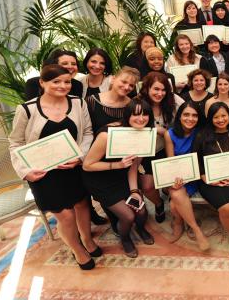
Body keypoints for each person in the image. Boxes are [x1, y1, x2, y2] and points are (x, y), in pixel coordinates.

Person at [10, 65, 99, 269]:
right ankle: (77, 248)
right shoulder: (27, 109)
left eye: (67, 81)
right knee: (66, 216)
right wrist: (25, 172)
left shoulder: (78, 103)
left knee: (83, 204)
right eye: (56, 82)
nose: (63, 86)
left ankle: (87, 239)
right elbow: (15, 143)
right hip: (43, 173)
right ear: (42, 83)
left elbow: (87, 133)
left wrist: (80, 157)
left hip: (73, 167)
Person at [82, 99, 155, 259]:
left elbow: (134, 167)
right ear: (127, 115)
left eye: (145, 115)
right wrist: (118, 165)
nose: (141, 118)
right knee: (128, 216)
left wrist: (135, 191)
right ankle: (125, 238)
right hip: (99, 180)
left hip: (122, 177)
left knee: (141, 212)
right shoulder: (106, 135)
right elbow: (87, 165)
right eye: (136, 114)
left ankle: (141, 229)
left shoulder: (144, 135)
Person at [194, 102, 229, 259]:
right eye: (216, 117)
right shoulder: (202, 136)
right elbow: (196, 161)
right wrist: (207, 178)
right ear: (210, 118)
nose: (220, 119)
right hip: (210, 180)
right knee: (226, 208)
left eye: (224, 116)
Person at [137, 72, 184, 223]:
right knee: (148, 186)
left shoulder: (172, 99)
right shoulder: (138, 103)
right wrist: (157, 130)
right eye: (156, 89)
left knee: (173, 183)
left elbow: (188, 112)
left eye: (163, 90)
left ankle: (168, 193)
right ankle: (158, 203)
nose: (160, 93)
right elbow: (130, 126)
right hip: (147, 151)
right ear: (147, 88)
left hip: (170, 147)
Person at [163, 101, 209, 250]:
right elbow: (171, 162)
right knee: (175, 196)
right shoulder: (169, 134)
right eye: (186, 114)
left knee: (173, 205)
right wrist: (174, 179)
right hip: (179, 174)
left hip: (197, 175)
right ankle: (196, 230)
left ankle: (178, 223)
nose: (190, 118)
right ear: (179, 116)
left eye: (195, 115)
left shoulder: (202, 131)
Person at [87, 67, 140, 133]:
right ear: (113, 79)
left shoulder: (132, 105)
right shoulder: (91, 101)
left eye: (131, 85)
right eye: (124, 82)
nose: (127, 87)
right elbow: (85, 130)